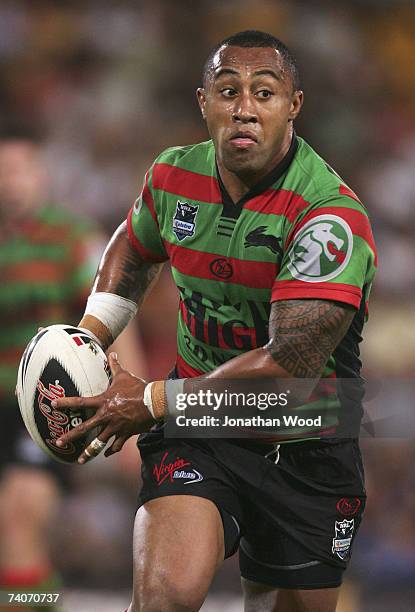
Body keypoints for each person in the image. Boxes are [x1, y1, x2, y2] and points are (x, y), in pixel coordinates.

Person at [53, 31, 377, 612]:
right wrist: (89, 337)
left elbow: (290, 365)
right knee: (165, 598)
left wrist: (153, 400)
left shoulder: (329, 218)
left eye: (264, 92)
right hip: (199, 430)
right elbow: (133, 245)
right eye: (227, 91)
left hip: (306, 438)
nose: (244, 108)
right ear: (203, 101)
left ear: (293, 106)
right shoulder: (173, 176)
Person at [0, 126, 146, 610]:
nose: (9, 182)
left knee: (19, 517)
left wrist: (131, 394)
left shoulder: (71, 240)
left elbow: (111, 316)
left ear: (40, 175)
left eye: (18, 169)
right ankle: (36, 600)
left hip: (44, 407)